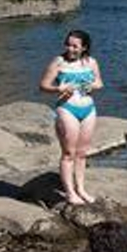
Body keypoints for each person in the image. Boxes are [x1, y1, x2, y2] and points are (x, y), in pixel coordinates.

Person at [38, 29, 103, 205]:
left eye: (75, 46)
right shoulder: (58, 62)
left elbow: (99, 83)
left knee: (82, 153)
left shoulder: (91, 62)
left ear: (84, 48)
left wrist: (92, 86)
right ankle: (70, 193)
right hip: (67, 109)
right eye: (68, 44)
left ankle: (81, 189)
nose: (70, 48)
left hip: (89, 109)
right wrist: (57, 89)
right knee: (68, 153)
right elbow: (43, 86)